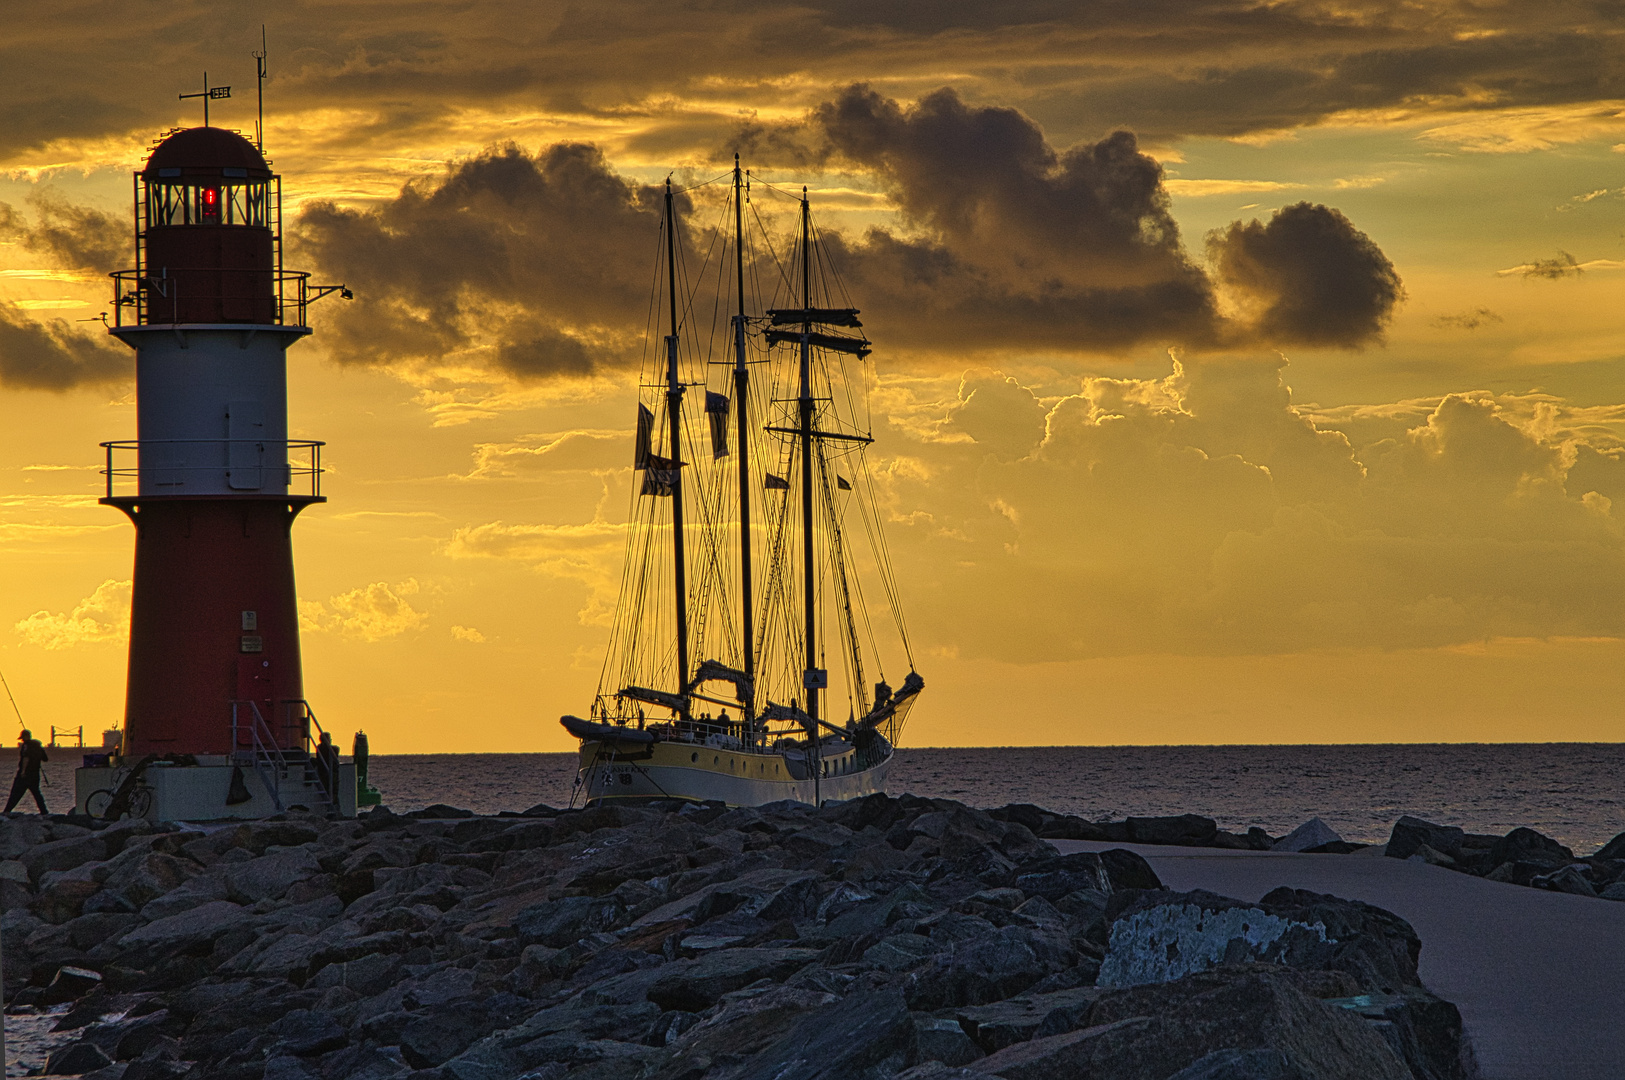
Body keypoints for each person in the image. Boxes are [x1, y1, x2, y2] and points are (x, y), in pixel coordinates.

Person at [6, 728, 48, 814]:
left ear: (26, 736)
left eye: (22, 738)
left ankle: (7, 811)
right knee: (37, 794)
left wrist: (23, 772)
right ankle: (44, 812)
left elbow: (26, 758)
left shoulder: (26, 746)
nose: (22, 740)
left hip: (25, 775)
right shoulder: (38, 746)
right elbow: (45, 759)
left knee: (15, 793)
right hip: (35, 774)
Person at [315, 730, 339, 810]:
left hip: (323, 771)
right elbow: (336, 750)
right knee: (333, 789)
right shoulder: (327, 749)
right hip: (328, 772)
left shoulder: (319, 748)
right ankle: (334, 807)